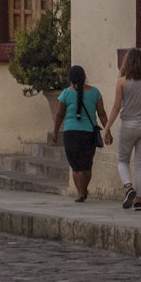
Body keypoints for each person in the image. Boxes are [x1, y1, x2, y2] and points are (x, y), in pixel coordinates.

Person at [101, 48, 141, 211]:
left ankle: (128, 188)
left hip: (128, 124)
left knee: (122, 159)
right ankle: (139, 201)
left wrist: (106, 129)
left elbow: (115, 107)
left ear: (126, 62)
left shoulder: (121, 81)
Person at [52, 66, 108, 203]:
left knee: (76, 166)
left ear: (70, 78)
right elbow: (101, 113)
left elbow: (59, 115)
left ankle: (80, 193)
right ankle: (84, 190)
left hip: (71, 132)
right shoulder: (95, 92)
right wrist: (108, 130)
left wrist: (55, 131)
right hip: (89, 132)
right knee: (87, 165)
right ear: (84, 76)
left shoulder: (65, 93)